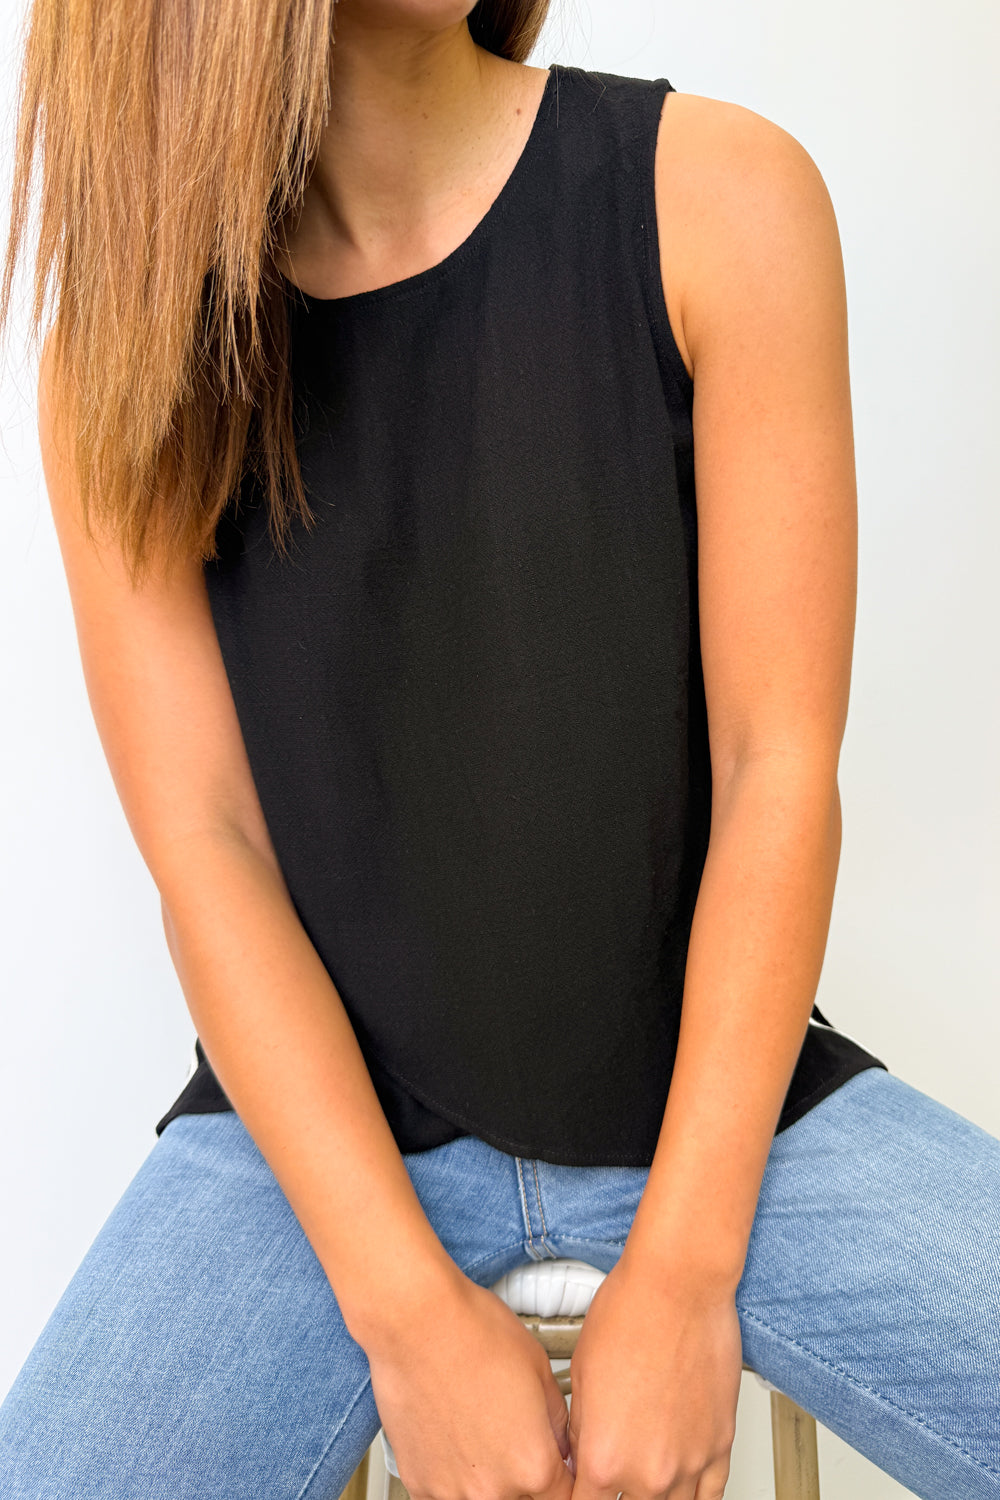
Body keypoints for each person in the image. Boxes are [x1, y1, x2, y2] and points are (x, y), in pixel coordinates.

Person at [1, 0, 998, 1497]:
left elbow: (778, 766)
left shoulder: (720, 197)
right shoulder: (130, 347)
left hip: (719, 1108)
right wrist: (403, 1315)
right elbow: (206, 846)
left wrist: (688, 1269)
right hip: (317, 1153)